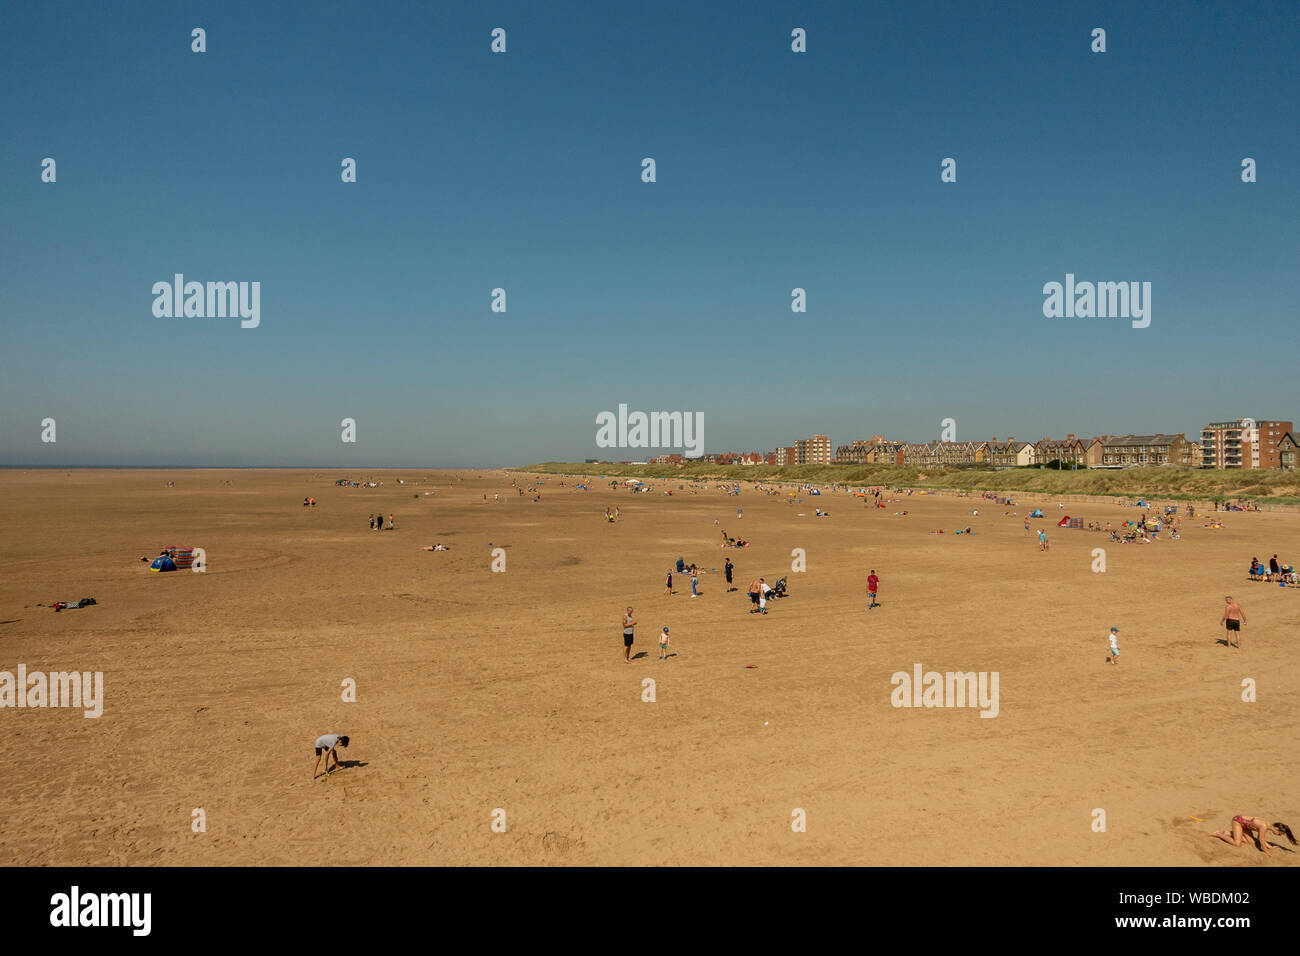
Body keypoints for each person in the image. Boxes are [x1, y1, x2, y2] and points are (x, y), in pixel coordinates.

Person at [1209, 816, 1296, 855]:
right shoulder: (1264, 826)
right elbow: (1261, 840)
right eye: (1280, 834)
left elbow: (1259, 838)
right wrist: (1267, 851)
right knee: (1237, 844)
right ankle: (1219, 834)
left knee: (1252, 843)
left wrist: (1270, 847)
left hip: (1246, 827)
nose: (1279, 835)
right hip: (1238, 822)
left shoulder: (1268, 825)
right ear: (1277, 829)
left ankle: (1229, 833)